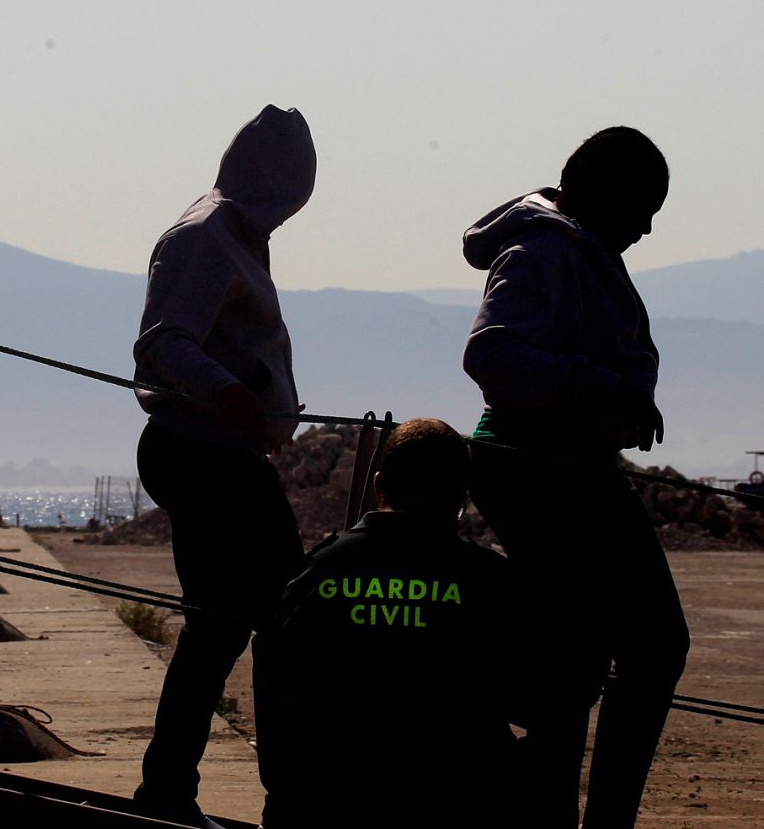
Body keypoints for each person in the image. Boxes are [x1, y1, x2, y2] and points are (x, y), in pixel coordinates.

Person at [461, 126, 688, 828]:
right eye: (644, 206)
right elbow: (492, 355)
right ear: (604, 195)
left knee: (577, 658)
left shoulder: (570, 248)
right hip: (545, 472)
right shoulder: (546, 252)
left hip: (564, 466)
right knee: (651, 644)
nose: (649, 228)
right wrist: (601, 388)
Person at [130, 105, 315, 826]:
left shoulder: (233, 234)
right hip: (205, 450)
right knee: (261, 620)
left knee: (238, 623)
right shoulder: (205, 238)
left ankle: (180, 786)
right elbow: (163, 343)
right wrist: (234, 395)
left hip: (223, 450)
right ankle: (226, 789)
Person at [252, 418, 516, 829]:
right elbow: (539, 699)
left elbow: (272, 683)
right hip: (454, 806)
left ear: (379, 486)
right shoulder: (490, 582)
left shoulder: (315, 572)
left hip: (320, 807)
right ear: (461, 497)